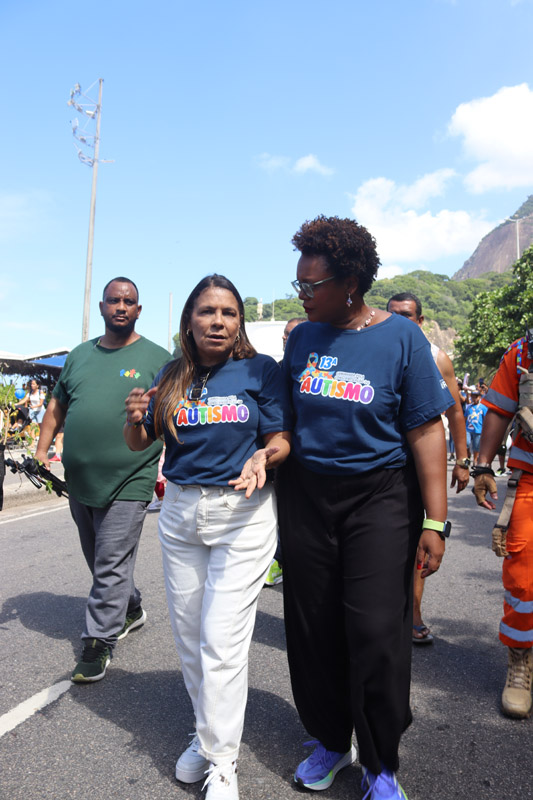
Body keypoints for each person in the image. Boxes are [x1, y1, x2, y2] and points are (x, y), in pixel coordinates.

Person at [277, 216, 453, 800]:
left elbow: (428, 431)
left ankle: (380, 762)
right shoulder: (302, 338)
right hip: (307, 498)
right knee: (312, 626)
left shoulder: (400, 339)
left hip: (379, 497)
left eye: (311, 284)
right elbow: (282, 418)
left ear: (350, 282)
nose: (301, 293)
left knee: (376, 630)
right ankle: (330, 740)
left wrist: (434, 519)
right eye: (299, 283)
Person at [124, 274, 291, 800]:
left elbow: (281, 438)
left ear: (239, 322)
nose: (218, 322)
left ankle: (223, 762)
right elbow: (139, 442)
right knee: (191, 639)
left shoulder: (260, 370)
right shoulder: (170, 375)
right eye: (207, 312)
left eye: (228, 313)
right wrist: (133, 418)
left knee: (221, 641)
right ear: (189, 320)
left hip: (242, 513)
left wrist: (266, 455)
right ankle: (207, 735)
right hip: (179, 513)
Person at [35, 277, 169, 683]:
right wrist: (42, 452)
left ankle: (97, 643)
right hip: (80, 480)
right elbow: (57, 407)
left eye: (129, 301)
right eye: (115, 300)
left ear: (139, 310)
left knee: (110, 559)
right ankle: (129, 607)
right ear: (102, 307)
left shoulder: (157, 357)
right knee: (99, 558)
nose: (122, 307)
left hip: (132, 477)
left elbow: (169, 413)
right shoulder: (79, 356)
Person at [387, 292, 469, 643]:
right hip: (385, 464)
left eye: (407, 315)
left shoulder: (438, 358)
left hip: (423, 463)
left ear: (419, 321)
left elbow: (455, 412)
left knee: (422, 538)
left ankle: (414, 612)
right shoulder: (378, 350)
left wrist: (464, 461)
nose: (399, 320)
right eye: (392, 314)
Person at [472, 333, 533, 718]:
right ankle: (520, 662)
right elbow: (498, 408)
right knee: (523, 577)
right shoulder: (524, 351)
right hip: (530, 478)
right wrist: (481, 467)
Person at [264, 316, 306, 588]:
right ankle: (277, 559)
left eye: (292, 334)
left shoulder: (313, 373)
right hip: (280, 461)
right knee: (280, 516)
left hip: (309, 462)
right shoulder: (275, 371)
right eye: (284, 333)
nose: (285, 338)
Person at [464, 389, 487, 465]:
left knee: (476, 446)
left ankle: (475, 459)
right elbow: (465, 417)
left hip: (478, 430)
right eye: (473, 397)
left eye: (476, 397)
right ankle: (468, 455)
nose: (475, 399)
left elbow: (486, 419)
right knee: (466, 443)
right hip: (468, 429)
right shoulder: (469, 407)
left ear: (479, 397)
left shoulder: (483, 408)